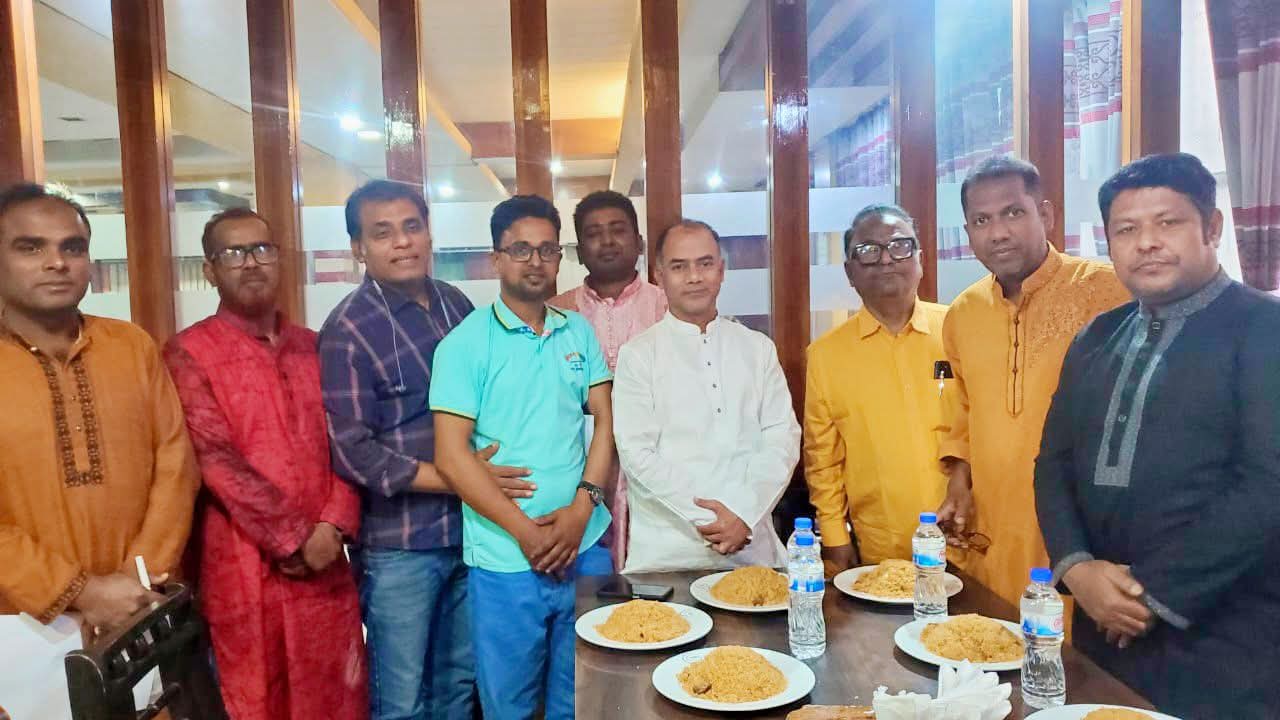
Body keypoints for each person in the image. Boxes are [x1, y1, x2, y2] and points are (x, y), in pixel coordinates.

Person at [1035, 153, 1280, 718]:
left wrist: (1150, 597)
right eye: (1126, 230)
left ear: (1211, 227)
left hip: (1224, 638)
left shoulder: (1264, 329)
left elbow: (1268, 487)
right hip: (1100, 628)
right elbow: (1053, 462)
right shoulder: (1096, 337)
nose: (1146, 242)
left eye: (1167, 222)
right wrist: (1076, 567)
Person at [164, 208, 367, 720]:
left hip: (326, 563)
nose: (251, 263)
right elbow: (215, 458)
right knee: (256, 699)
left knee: (337, 696)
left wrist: (334, 523)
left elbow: (349, 441)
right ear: (209, 270)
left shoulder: (314, 347)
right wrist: (294, 538)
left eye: (262, 249)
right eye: (233, 253)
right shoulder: (188, 353)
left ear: (280, 259)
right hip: (244, 563)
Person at [429, 195, 613, 720]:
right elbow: (451, 457)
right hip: (506, 558)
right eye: (521, 250)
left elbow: (606, 421)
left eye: (547, 250)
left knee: (585, 698)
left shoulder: (577, 330)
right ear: (496, 259)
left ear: (559, 258)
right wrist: (528, 535)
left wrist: (581, 510)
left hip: (586, 546)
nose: (536, 261)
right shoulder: (464, 344)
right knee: (509, 706)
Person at [319, 180, 494, 720]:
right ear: (359, 248)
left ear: (428, 234)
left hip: (472, 533)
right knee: (402, 699)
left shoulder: (456, 305)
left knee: (458, 684)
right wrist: (460, 477)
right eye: (383, 233)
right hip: (400, 547)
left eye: (412, 227)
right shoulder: (348, 329)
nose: (402, 242)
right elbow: (353, 451)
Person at [0, 183, 198, 630]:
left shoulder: (130, 346)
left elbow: (176, 464)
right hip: (21, 626)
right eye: (31, 247)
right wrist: (81, 592)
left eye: (73, 247)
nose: (57, 262)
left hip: (144, 608)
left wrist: (136, 580)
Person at [935, 156, 1129, 607]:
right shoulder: (963, 313)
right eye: (982, 220)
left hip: (1082, 537)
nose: (998, 232)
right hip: (992, 528)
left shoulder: (1108, 292)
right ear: (967, 233)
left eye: (1013, 213)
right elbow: (964, 411)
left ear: (1046, 214)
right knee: (993, 638)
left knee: (1069, 645)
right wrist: (959, 482)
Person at [613, 219, 800, 574]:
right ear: (659, 276)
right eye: (679, 267)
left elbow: (782, 438)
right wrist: (713, 521)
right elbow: (638, 454)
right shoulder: (638, 355)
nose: (694, 277)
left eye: (705, 263)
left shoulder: (757, 349)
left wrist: (743, 514)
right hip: (667, 557)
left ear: (722, 270)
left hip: (752, 549)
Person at [804, 204, 949, 575]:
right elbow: (823, 460)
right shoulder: (826, 356)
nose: (886, 259)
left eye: (900, 246)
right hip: (882, 551)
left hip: (971, 537)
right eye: (869, 251)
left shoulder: (959, 330)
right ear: (849, 272)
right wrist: (835, 538)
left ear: (920, 259)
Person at [550, 190, 666, 571]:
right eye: (594, 234)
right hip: (577, 475)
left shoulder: (667, 307)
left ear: (639, 242)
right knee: (590, 590)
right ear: (579, 251)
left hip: (657, 470)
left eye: (618, 230)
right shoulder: (555, 314)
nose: (607, 241)